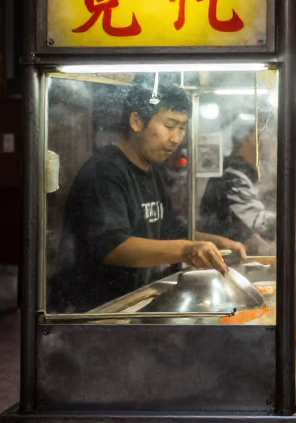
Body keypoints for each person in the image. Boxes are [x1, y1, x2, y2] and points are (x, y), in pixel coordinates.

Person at [52, 83, 248, 313]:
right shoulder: (104, 172)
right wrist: (187, 250)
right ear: (136, 121)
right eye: (169, 125)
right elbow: (113, 247)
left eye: (182, 128)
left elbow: (171, 231)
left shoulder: (153, 171)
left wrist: (218, 244)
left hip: (136, 302)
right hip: (96, 312)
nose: (176, 138)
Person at [199, 120, 296, 256]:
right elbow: (261, 225)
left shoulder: (245, 174)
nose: (270, 142)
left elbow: (249, 227)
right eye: (265, 134)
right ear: (250, 137)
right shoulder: (231, 176)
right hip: (224, 262)